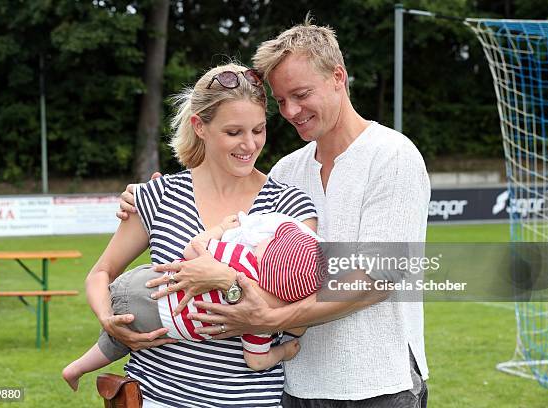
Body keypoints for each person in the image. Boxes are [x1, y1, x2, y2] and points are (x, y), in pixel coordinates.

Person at [119, 19, 430, 407]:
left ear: (338, 77)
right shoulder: (287, 171)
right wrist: (147, 196)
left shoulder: (392, 156)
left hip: (376, 385)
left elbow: (377, 279)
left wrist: (266, 320)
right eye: (282, 100)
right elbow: (227, 219)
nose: (291, 111)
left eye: (300, 94)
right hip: (295, 387)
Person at [85, 62, 318, 407]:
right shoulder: (157, 195)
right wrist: (109, 319)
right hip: (156, 396)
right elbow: (101, 273)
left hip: (252, 401)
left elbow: (301, 303)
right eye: (234, 132)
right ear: (200, 127)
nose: (249, 144)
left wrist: (226, 280)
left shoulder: (290, 205)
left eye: (258, 130)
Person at [63, 213, 323, 390]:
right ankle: (76, 368)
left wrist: (221, 229)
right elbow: (256, 361)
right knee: (120, 340)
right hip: (158, 322)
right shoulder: (262, 317)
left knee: (120, 333)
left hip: (146, 283)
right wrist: (284, 351)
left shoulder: (240, 256)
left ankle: (75, 368)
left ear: (268, 255)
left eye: (272, 241)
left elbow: (193, 249)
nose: (267, 238)